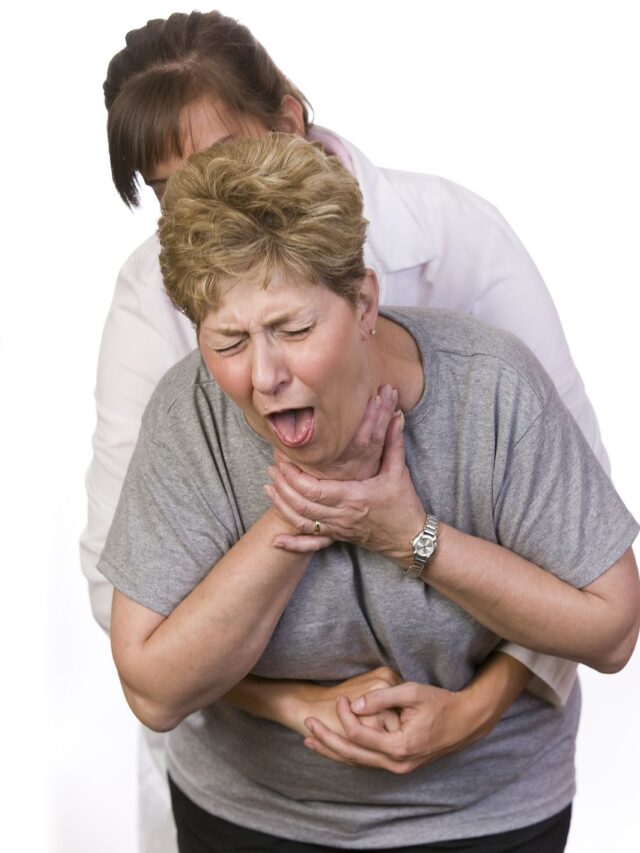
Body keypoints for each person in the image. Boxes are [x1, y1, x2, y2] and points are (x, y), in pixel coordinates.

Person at [82, 10, 612, 852]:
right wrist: (293, 701)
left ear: (289, 121)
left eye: (219, 166)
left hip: (484, 779)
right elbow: (133, 609)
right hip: (257, 782)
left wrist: (476, 702)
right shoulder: (160, 321)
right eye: (168, 192)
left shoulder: (458, 254)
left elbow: (582, 553)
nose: (201, 214)